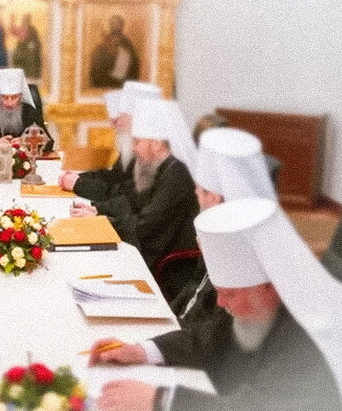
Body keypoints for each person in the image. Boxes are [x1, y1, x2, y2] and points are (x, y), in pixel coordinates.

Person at [94, 198, 342, 411]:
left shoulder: (314, 330)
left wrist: (161, 400)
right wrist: (142, 351)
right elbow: (211, 337)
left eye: (229, 293)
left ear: (271, 288)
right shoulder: (263, 302)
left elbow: (266, 407)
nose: (219, 302)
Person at [89, 128, 279, 370]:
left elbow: (217, 337)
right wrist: (162, 320)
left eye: (203, 191)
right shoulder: (221, 230)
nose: (196, 195)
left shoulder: (249, 259)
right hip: (183, 333)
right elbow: (194, 293)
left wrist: (146, 348)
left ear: (219, 198)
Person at [66, 99, 199, 297]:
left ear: (155, 144)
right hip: (144, 244)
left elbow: (145, 228)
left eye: (137, 142)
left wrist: (103, 221)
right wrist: (98, 210)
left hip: (161, 260)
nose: (134, 148)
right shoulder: (153, 167)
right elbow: (129, 198)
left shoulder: (177, 174)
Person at [59, 81, 162, 198]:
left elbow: (123, 194)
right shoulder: (136, 144)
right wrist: (80, 177)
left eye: (121, 118)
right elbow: (114, 176)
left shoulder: (152, 151)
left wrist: (78, 184)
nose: (116, 125)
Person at [0, 68, 53, 152]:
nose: (9, 102)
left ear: (21, 96)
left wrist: (27, 142)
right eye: (4, 97)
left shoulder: (30, 111)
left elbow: (49, 143)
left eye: (14, 97)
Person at [89, 15, 140, 88]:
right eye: (113, 23)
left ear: (121, 25)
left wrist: (119, 53)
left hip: (122, 79)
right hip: (104, 78)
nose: (115, 26)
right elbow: (97, 59)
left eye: (117, 23)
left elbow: (134, 62)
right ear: (110, 25)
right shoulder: (105, 40)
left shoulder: (127, 42)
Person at [10, 13, 42, 79]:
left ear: (28, 20)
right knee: (16, 57)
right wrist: (12, 20)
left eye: (26, 19)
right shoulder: (22, 27)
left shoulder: (32, 29)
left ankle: (30, 75)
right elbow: (14, 31)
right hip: (21, 47)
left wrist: (32, 45)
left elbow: (35, 41)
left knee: (29, 59)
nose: (24, 21)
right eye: (24, 19)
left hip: (29, 50)